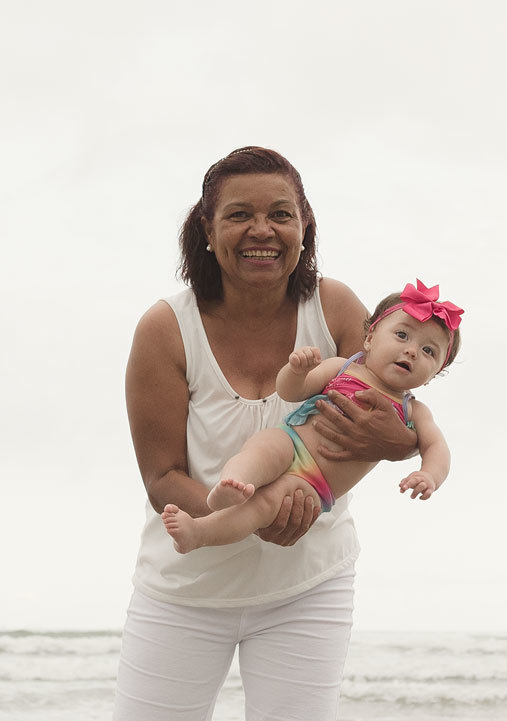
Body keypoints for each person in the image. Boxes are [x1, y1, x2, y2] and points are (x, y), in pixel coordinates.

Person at [114, 147, 422, 721]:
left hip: (309, 585)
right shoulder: (166, 328)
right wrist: (254, 514)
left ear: (305, 226)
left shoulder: (332, 307)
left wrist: (405, 445)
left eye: (281, 214)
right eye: (238, 215)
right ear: (207, 230)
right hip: (185, 586)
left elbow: (401, 416)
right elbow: (161, 479)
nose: (262, 230)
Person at [161, 280, 463, 554]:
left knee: (264, 506)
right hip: (291, 440)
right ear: (370, 338)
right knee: (262, 446)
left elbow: (437, 448)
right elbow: (292, 391)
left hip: (314, 484)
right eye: (401, 335)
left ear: (434, 375)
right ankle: (234, 482)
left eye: (428, 351)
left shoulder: (414, 411)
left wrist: (429, 475)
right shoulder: (343, 367)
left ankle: (199, 533)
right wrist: (296, 370)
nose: (411, 351)